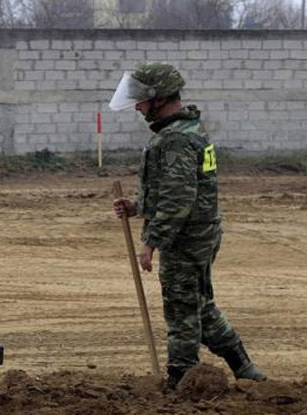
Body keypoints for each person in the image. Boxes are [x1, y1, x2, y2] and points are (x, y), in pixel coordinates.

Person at [109, 63, 267, 389]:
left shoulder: (175, 140)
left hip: (186, 238)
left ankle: (180, 379)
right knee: (200, 307)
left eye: (141, 100)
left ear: (160, 98)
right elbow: (180, 190)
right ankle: (245, 368)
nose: (137, 106)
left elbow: (178, 198)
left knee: (182, 310)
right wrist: (139, 207)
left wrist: (151, 242)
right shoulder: (188, 130)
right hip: (199, 231)